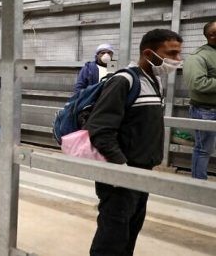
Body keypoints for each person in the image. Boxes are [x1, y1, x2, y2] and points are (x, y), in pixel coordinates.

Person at [85, 29, 183, 255]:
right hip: (122, 173)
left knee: (131, 227)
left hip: (142, 171)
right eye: (171, 53)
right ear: (149, 53)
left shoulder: (153, 80)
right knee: (113, 233)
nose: (177, 60)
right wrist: (120, 166)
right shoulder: (124, 80)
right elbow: (100, 129)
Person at [183, 20, 216, 180]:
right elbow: (197, 84)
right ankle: (198, 186)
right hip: (206, 110)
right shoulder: (199, 56)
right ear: (212, 35)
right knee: (203, 150)